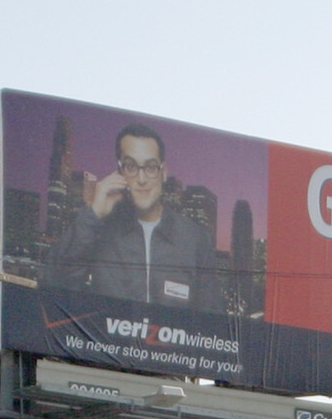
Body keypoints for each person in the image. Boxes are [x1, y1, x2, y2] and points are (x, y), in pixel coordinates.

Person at [52, 123, 219, 310]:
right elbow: (58, 289)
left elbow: (211, 321)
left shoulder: (195, 239)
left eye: (150, 167)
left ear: (163, 173)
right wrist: (93, 214)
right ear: (120, 171)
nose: (141, 178)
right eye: (131, 166)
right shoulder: (98, 231)